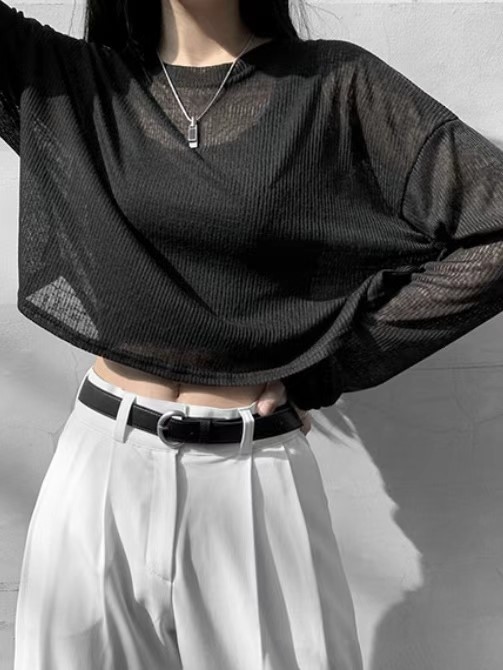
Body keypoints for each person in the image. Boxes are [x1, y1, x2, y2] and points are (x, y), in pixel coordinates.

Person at [3, 0, 503, 668]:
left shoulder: (336, 86)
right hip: (98, 472)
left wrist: (328, 367)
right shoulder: (75, 83)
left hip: (254, 477)